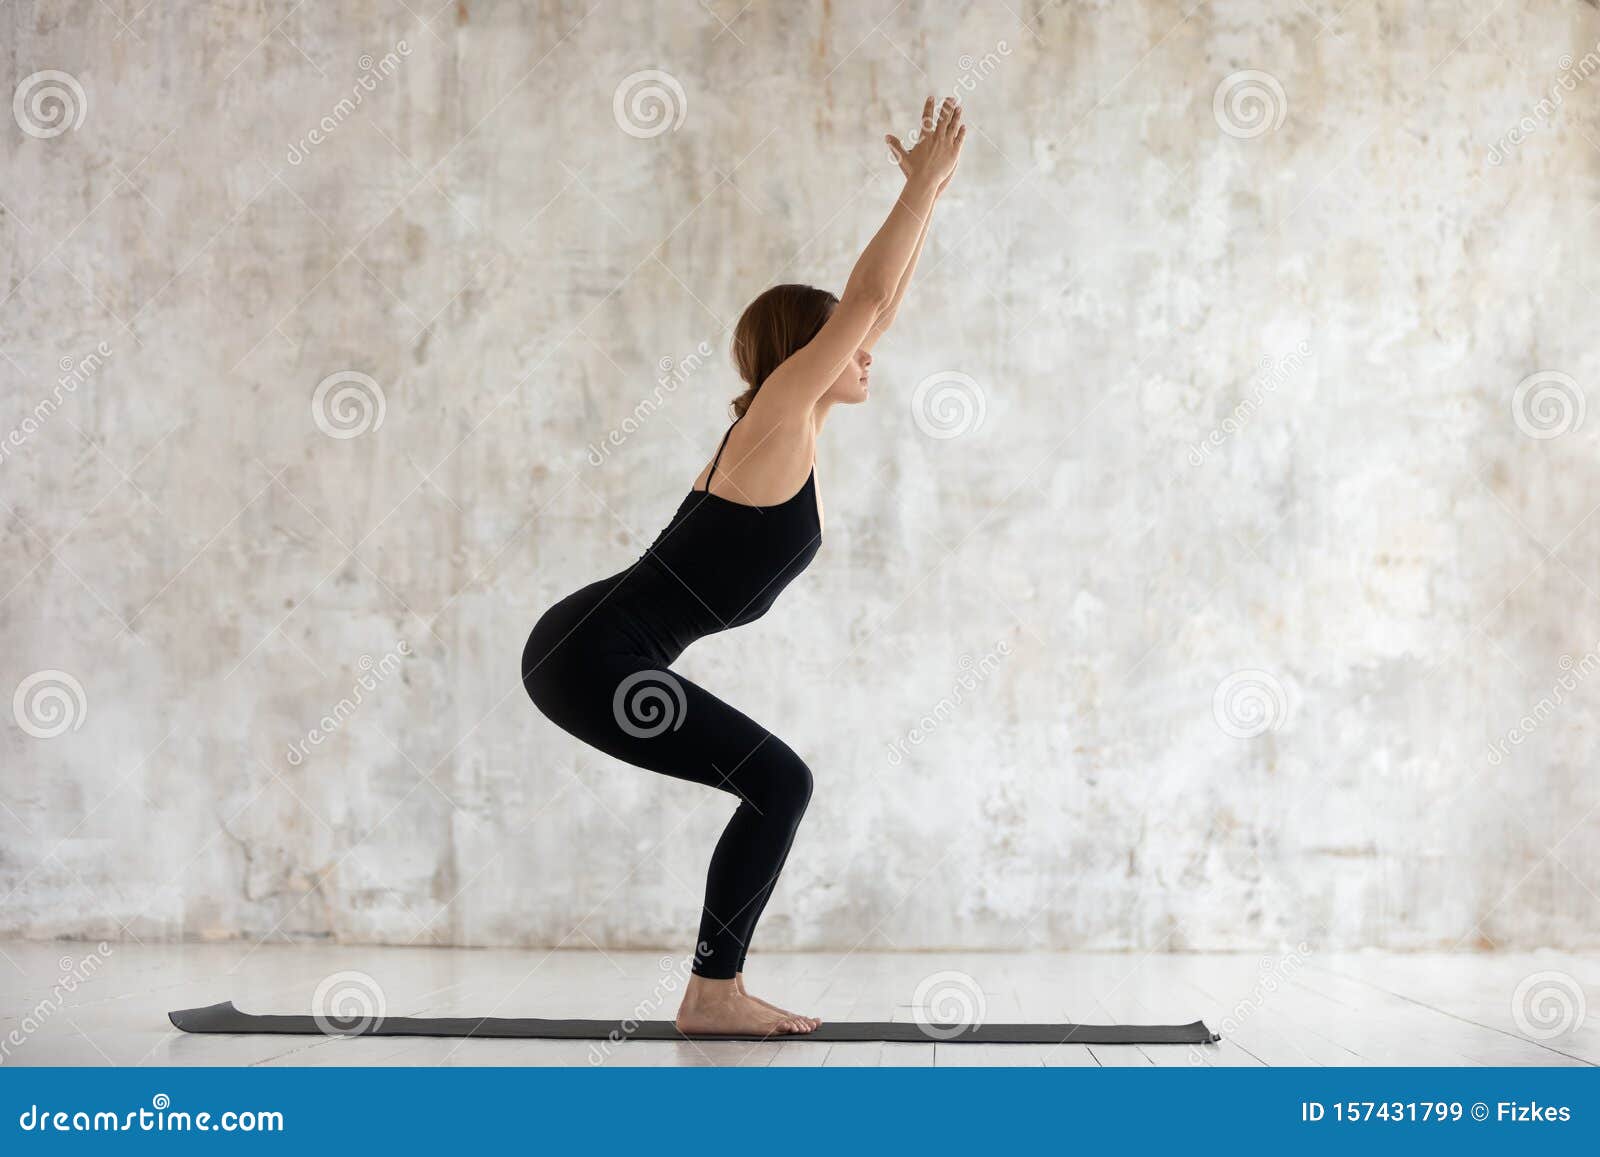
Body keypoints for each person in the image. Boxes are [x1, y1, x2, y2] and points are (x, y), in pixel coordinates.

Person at [522, 97, 967, 1036]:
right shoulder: (774, 418)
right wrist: (919, 187)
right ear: (806, 353)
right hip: (588, 654)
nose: (871, 353)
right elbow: (868, 303)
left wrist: (929, 198)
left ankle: (713, 992)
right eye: (848, 345)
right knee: (782, 781)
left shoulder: (786, 434)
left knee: (775, 780)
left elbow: (876, 309)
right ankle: (712, 995)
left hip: (592, 648)